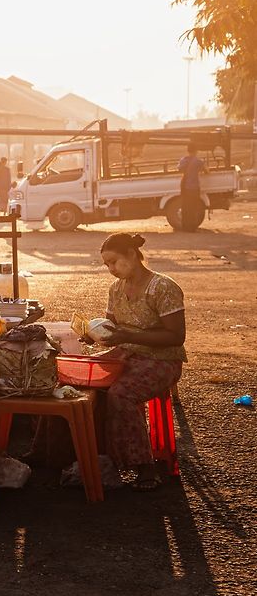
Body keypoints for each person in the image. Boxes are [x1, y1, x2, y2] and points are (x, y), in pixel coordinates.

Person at [97, 233, 186, 491]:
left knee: (121, 393)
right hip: (126, 355)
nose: (112, 269)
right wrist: (95, 332)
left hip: (162, 360)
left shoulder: (163, 287)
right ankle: (102, 459)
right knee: (84, 386)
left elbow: (176, 336)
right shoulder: (116, 289)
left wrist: (129, 336)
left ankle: (144, 467)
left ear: (132, 255)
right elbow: (112, 326)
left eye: (114, 262)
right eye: (107, 265)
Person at [177, 144, 207, 232]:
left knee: (185, 207)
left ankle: (185, 228)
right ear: (196, 151)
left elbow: (179, 169)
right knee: (193, 207)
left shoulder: (183, 160)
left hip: (184, 187)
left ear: (188, 151)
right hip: (194, 187)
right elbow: (207, 171)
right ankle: (192, 228)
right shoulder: (198, 161)